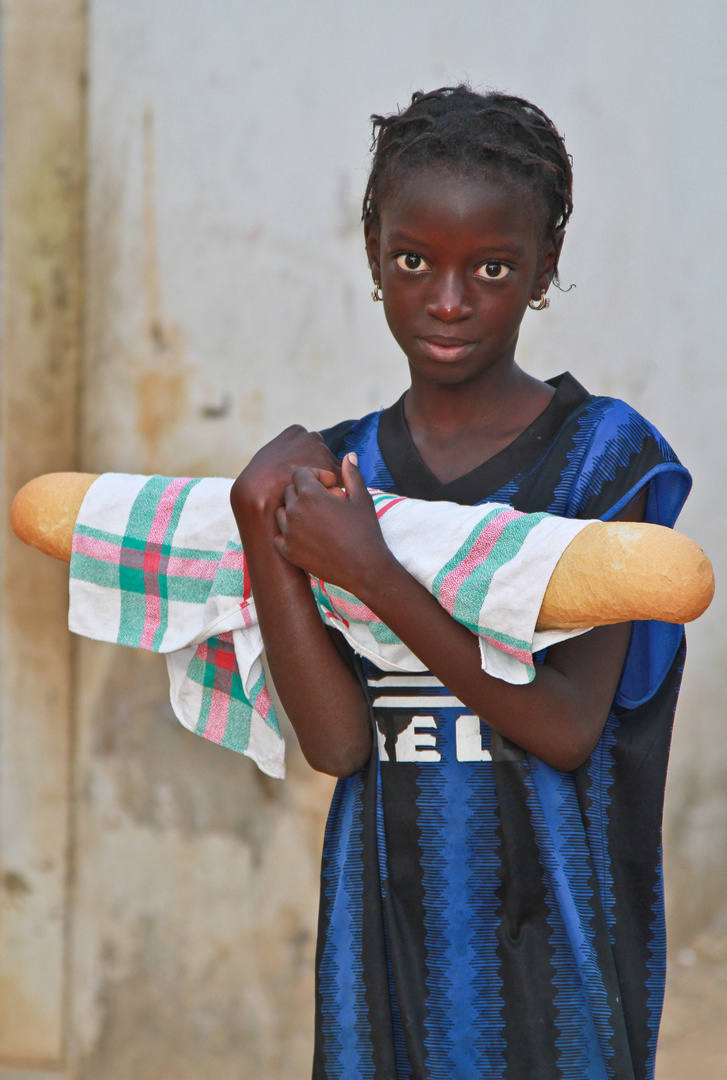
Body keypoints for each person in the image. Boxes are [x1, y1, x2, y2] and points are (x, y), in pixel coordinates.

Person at [230, 86, 691, 1080]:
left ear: (544, 267)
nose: (447, 299)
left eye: (490, 267)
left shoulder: (602, 462)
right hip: (386, 936)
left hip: (553, 947)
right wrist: (258, 523)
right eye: (413, 261)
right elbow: (339, 741)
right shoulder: (344, 471)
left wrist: (374, 573)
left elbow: (566, 726)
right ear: (371, 252)